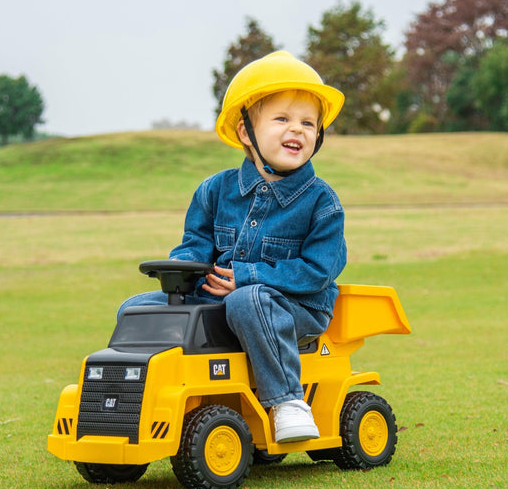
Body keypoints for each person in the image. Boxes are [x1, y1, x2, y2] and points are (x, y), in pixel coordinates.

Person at [118, 50, 347, 442]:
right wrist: (181, 273)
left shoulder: (321, 203)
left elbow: (319, 271)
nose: (298, 130)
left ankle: (288, 402)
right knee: (135, 309)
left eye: (309, 123)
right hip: (219, 302)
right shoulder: (214, 190)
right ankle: (129, 404)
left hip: (297, 308)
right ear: (246, 132)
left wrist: (247, 277)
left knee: (249, 300)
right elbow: (195, 245)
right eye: (282, 119)